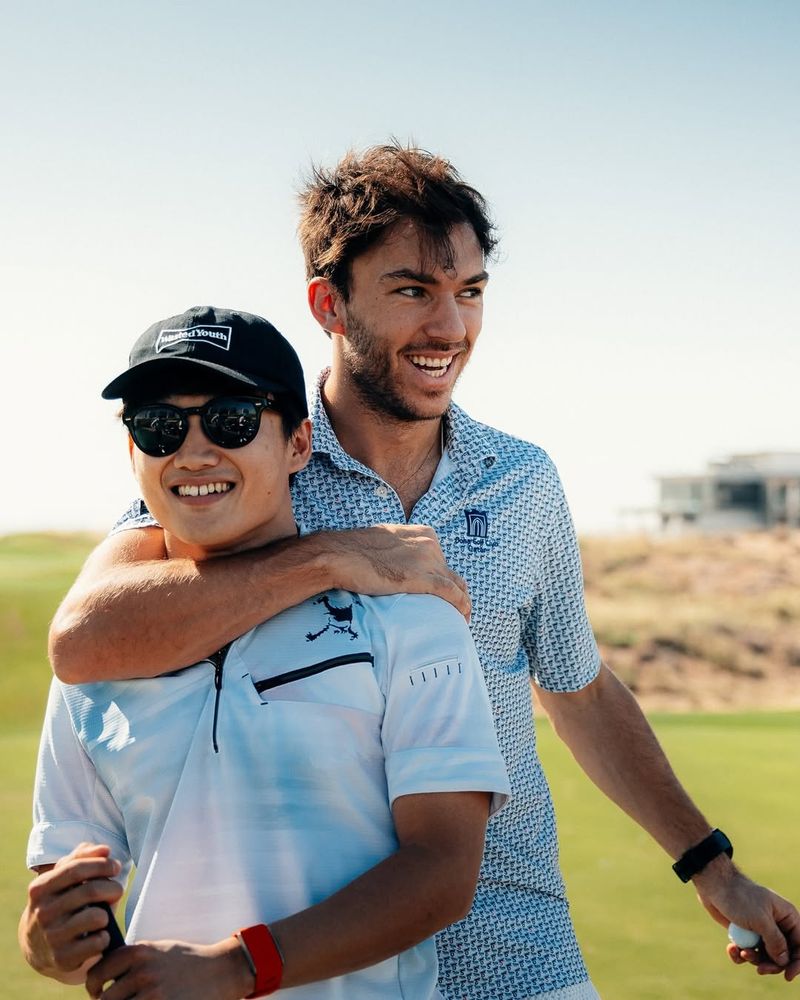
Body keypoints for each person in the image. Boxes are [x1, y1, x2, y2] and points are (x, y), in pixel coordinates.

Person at [44, 145, 799, 997]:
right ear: (328, 304)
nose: (451, 327)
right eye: (413, 290)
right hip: (328, 965)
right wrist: (332, 555)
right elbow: (89, 635)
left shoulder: (522, 479)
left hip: (517, 952)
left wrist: (711, 864)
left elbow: (577, 690)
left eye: (469, 293)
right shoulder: (242, 459)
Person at [19, 306, 510, 999]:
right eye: (159, 427)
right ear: (132, 453)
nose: (193, 453)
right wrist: (45, 943)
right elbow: (67, 907)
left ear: (299, 444)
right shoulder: (98, 659)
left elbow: (442, 871)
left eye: (231, 420)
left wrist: (237, 967)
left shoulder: (409, 620)